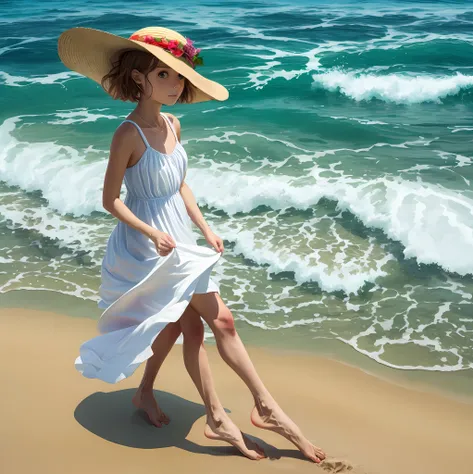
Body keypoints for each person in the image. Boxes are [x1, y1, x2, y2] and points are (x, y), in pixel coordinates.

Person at [58, 26, 326, 463]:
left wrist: (204, 226)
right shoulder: (127, 135)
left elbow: (179, 184)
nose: (176, 84)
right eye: (165, 74)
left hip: (179, 236)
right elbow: (109, 201)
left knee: (188, 327)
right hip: (150, 246)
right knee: (218, 322)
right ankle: (252, 410)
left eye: (179, 76)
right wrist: (152, 233)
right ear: (140, 79)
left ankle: (157, 397)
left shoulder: (172, 123)